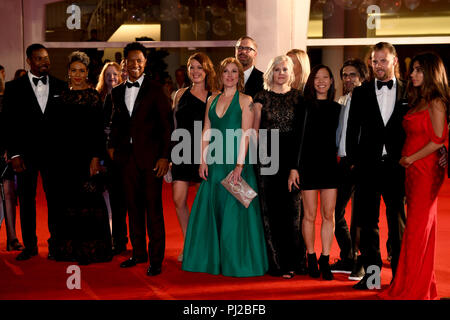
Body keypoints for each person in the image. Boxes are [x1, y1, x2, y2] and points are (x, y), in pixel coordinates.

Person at [182, 57, 268, 277]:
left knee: (235, 217)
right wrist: (202, 160)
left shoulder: (245, 100)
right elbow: (206, 131)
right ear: (220, 75)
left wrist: (239, 165)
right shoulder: (211, 99)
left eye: (234, 72)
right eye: (226, 72)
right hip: (214, 163)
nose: (229, 76)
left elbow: (246, 135)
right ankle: (211, 261)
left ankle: (236, 263)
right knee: (211, 212)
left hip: (236, 164)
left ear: (239, 76)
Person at [379, 52, 449, 300]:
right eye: (414, 70)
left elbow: (438, 139)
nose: (414, 74)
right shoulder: (418, 99)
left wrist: (412, 158)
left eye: (420, 70)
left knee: (418, 230)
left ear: (431, 73)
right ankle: (417, 284)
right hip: (412, 171)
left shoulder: (436, 101)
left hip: (425, 171)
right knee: (416, 230)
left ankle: (415, 290)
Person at [346, 42, 408, 290]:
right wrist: (352, 162)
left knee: (397, 224)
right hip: (367, 169)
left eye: (383, 60)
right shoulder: (360, 92)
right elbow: (352, 130)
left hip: (397, 167)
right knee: (367, 224)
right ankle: (371, 278)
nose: (378, 66)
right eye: (374, 61)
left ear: (394, 60)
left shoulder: (408, 92)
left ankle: (400, 278)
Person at [108, 42, 172, 276]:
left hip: (152, 160)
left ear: (145, 63)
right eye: (131, 60)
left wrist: (165, 157)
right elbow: (116, 123)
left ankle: (156, 259)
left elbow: (167, 126)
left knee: (153, 211)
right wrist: (112, 147)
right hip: (127, 161)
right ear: (124, 63)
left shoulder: (157, 89)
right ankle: (138, 253)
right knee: (133, 209)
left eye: (139, 61)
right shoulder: (116, 92)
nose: (135, 64)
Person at [2, 43, 67, 261]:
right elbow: (8, 124)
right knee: (27, 200)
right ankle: (30, 246)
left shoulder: (61, 86)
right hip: (25, 155)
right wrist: (14, 154)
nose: (45, 62)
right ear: (29, 60)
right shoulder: (13, 88)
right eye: (39, 58)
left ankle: (56, 244)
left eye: (46, 58)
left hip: (54, 155)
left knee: (56, 200)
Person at [50, 51, 112, 265]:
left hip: (87, 158)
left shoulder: (93, 97)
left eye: (82, 71)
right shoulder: (60, 96)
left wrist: (96, 158)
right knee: (67, 203)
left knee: (90, 202)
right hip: (64, 159)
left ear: (87, 74)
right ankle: (68, 249)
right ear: (68, 72)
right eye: (74, 70)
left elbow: (97, 132)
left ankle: (91, 249)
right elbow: (54, 131)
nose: (78, 75)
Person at [253, 55, 306, 278]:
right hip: (267, 157)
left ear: (291, 73)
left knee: (293, 212)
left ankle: (296, 261)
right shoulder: (260, 97)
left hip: (291, 158)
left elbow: (301, 134)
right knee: (271, 212)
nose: (281, 73)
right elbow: (254, 133)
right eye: (277, 69)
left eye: (285, 69)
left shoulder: (298, 97)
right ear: (270, 73)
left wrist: (296, 165)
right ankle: (277, 263)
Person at [288, 65, 341, 281]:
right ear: (312, 82)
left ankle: (325, 258)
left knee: (329, 215)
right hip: (308, 166)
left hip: (329, 166)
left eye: (325, 77)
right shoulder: (303, 106)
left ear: (331, 81)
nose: (321, 81)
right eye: (317, 78)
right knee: (309, 215)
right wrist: (293, 168)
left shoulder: (338, 109)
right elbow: (295, 139)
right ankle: (310, 256)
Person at [170, 52, 215, 262]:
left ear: (206, 70)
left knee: (201, 203)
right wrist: (170, 155)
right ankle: (189, 242)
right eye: (191, 67)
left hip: (204, 152)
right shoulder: (179, 94)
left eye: (199, 67)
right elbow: (174, 126)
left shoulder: (214, 95)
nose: (195, 72)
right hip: (181, 150)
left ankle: (202, 244)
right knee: (178, 200)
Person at [330, 58, 369, 281]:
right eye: (345, 75)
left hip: (361, 163)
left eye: (352, 74)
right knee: (336, 212)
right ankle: (348, 255)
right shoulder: (342, 100)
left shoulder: (369, 101)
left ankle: (361, 263)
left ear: (362, 77)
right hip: (343, 162)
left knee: (360, 217)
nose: (348, 79)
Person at [96, 62, 128, 255]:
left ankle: (120, 238)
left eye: (115, 74)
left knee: (119, 200)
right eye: (108, 74)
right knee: (102, 200)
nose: (112, 77)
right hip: (101, 155)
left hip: (119, 155)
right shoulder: (97, 97)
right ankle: (106, 237)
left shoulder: (125, 95)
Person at [0, 73, 24, 251]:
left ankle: (12, 237)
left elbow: (11, 126)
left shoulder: (5, 99)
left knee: (9, 194)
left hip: (3, 152)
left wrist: (11, 149)